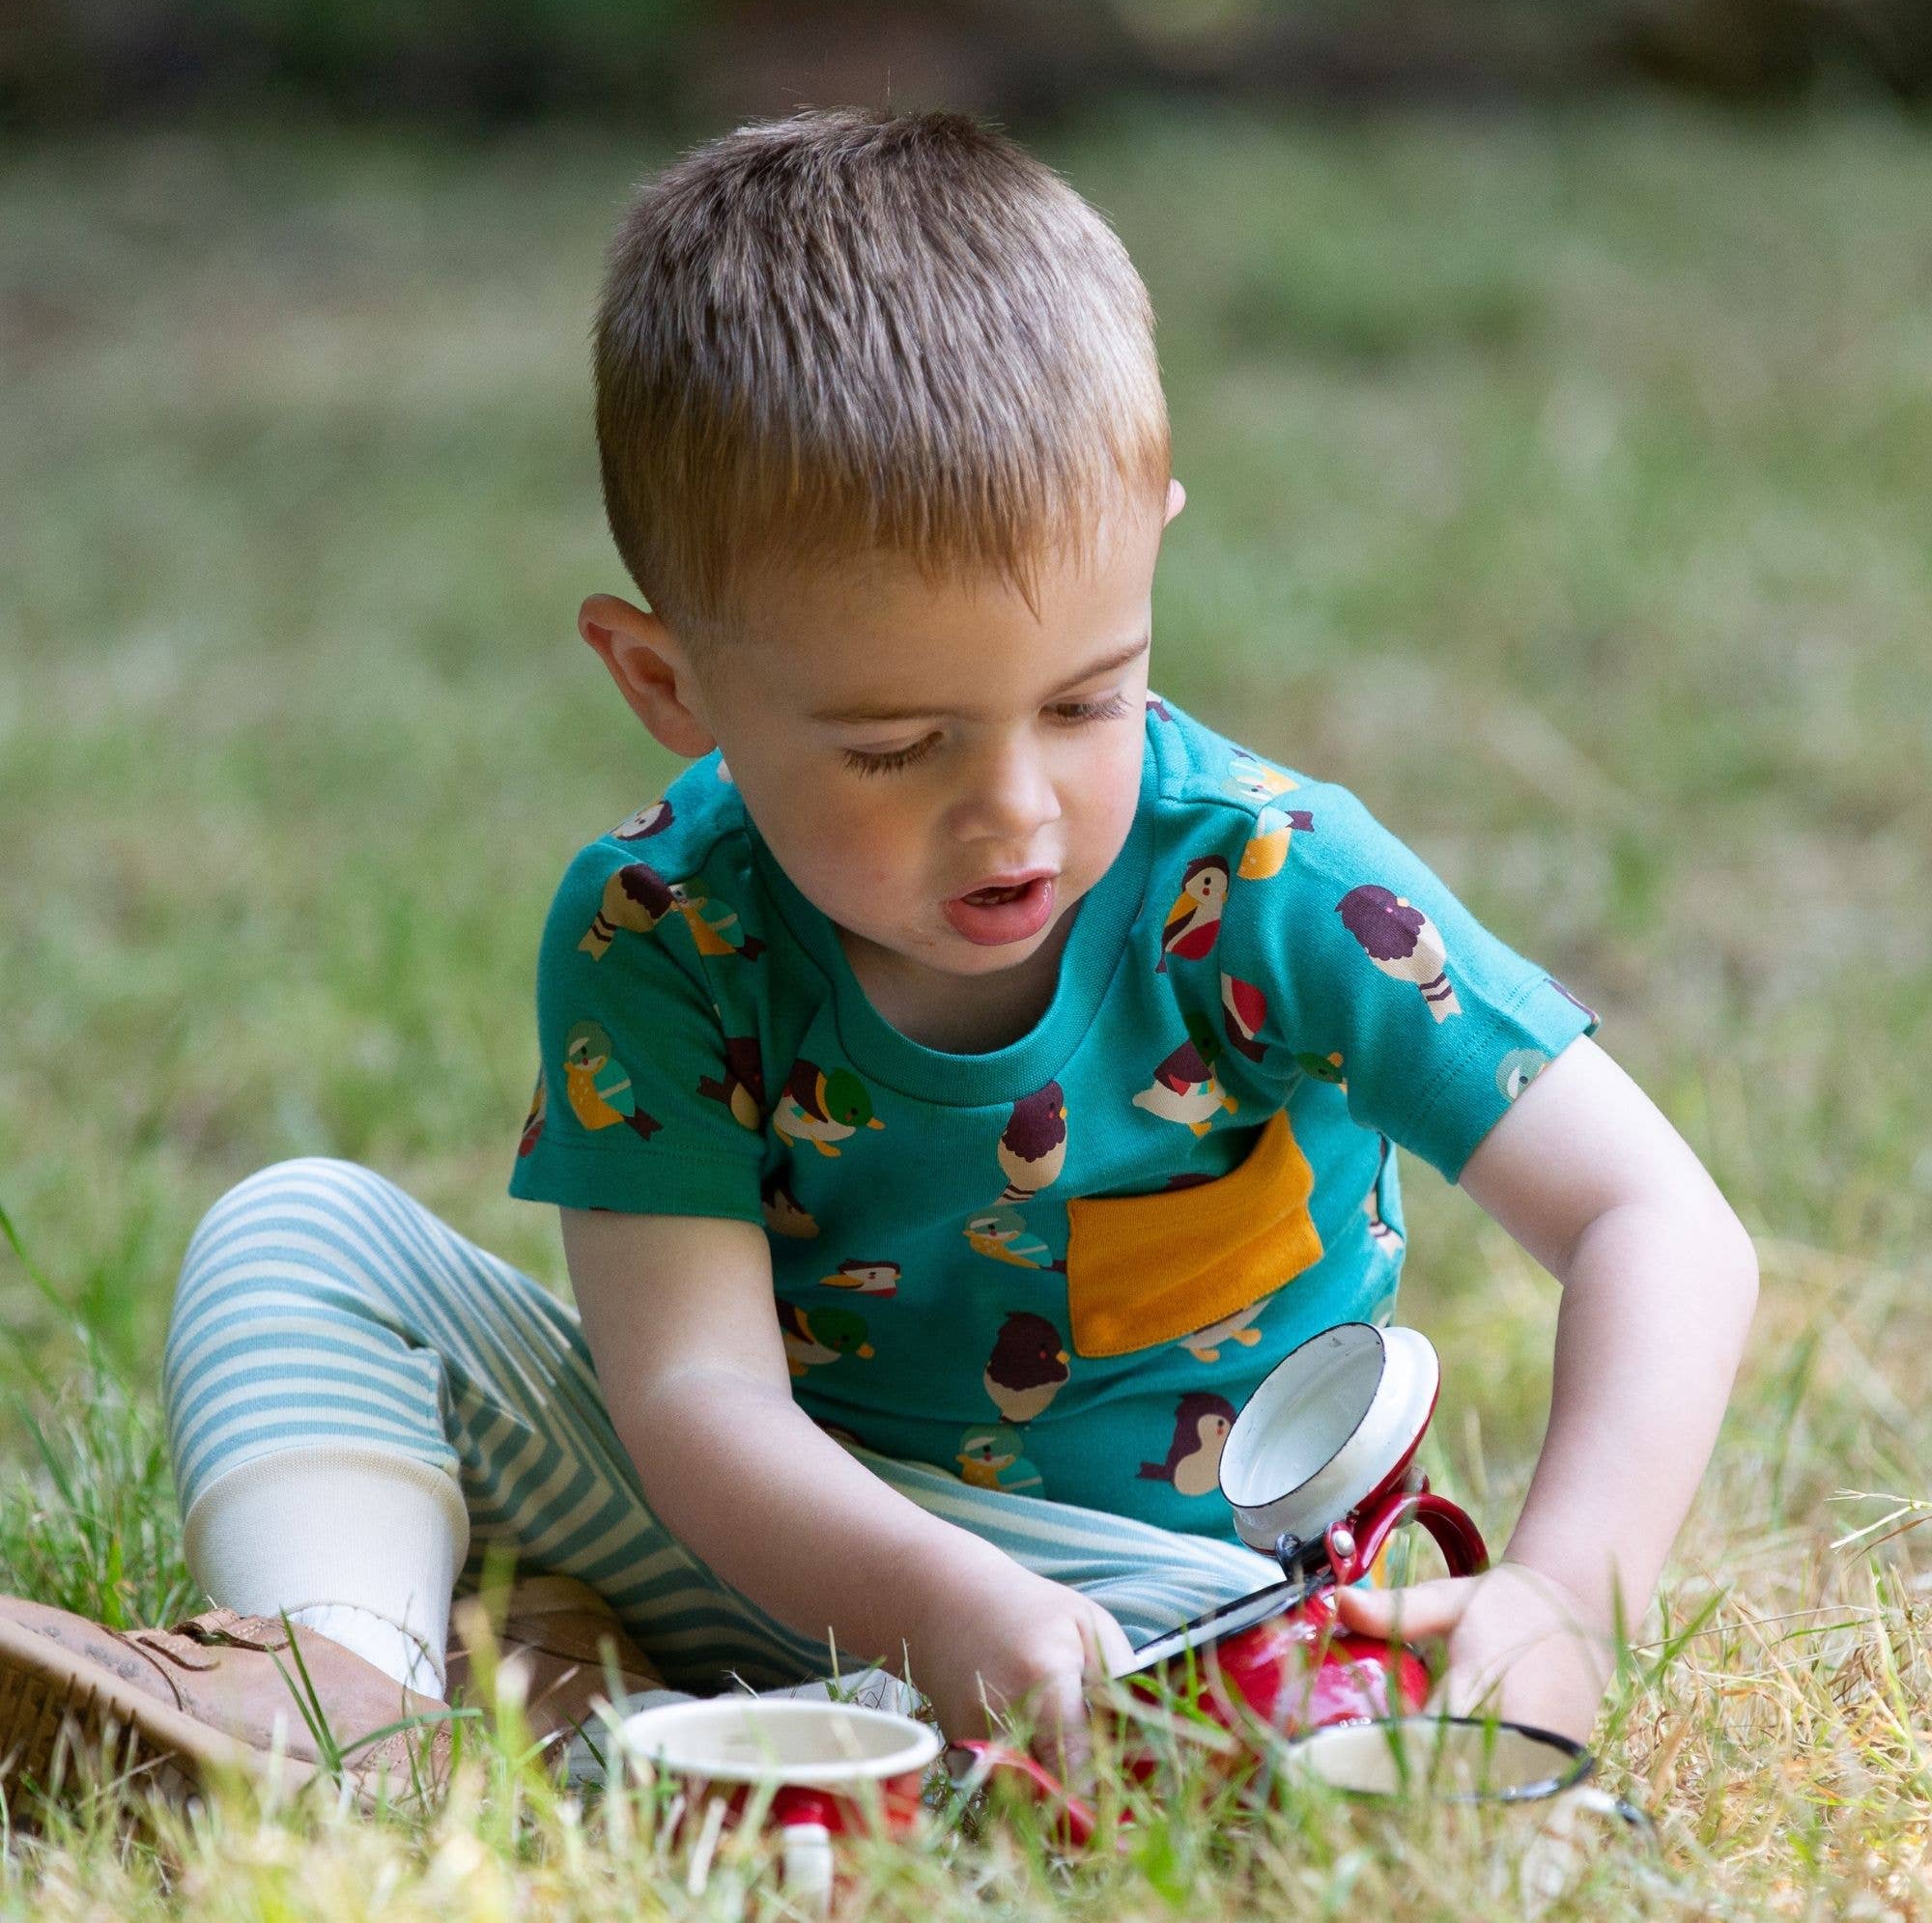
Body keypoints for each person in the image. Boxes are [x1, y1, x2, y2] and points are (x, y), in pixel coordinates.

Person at [0, 107, 1757, 1805]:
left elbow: (1655, 1223)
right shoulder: (658, 930)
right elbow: (690, 1398)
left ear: (1151, 538)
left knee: (1282, 1717)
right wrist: (925, 1608)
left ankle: (622, 1707)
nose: (1016, 815)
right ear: (668, 683)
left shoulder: (1269, 885)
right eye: (893, 748)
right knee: (297, 1237)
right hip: (775, 1522)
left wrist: (1564, 1596)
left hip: (1150, 1602)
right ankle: (337, 1711)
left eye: (1086, 701)